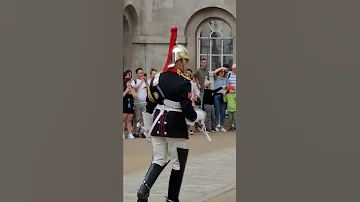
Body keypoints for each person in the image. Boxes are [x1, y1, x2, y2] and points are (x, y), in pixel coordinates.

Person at [136, 26, 205, 202]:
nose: (186, 65)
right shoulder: (184, 83)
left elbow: (150, 105)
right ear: (180, 61)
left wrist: (147, 128)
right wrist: (200, 116)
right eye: (185, 61)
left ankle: (144, 189)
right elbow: (187, 112)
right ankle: (172, 199)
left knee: (158, 159)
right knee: (177, 163)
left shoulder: (157, 78)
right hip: (175, 125)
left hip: (157, 123)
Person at [131, 68, 148, 138]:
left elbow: (149, 88)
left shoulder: (145, 81)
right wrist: (141, 81)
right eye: (140, 73)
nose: (141, 74)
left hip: (145, 102)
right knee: (137, 118)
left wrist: (146, 81)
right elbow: (135, 88)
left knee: (143, 118)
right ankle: (136, 131)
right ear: (137, 74)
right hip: (137, 103)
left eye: (142, 73)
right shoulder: (134, 81)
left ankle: (142, 131)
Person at [213, 66, 229, 132]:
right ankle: (216, 125)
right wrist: (221, 67)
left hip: (223, 95)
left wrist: (225, 91)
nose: (222, 73)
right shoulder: (216, 78)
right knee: (217, 111)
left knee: (223, 112)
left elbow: (228, 86)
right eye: (221, 72)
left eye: (223, 72)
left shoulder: (225, 79)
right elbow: (214, 72)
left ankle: (222, 125)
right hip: (217, 95)